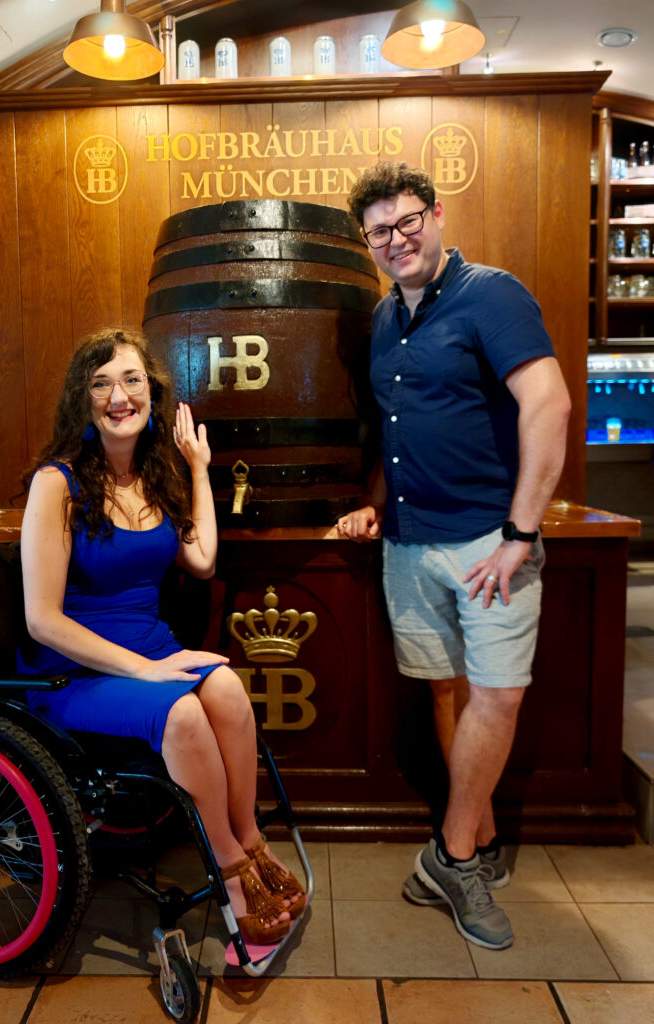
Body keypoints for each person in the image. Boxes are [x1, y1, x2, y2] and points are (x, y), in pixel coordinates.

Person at [337, 163, 571, 951]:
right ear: (367, 242)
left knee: (498, 697)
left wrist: (521, 533)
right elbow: (397, 426)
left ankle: (452, 856)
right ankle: (483, 837)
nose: (396, 240)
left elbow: (549, 402)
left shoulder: (493, 294)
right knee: (449, 691)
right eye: (379, 232)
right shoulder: (382, 319)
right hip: (407, 540)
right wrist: (374, 499)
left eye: (407, 223)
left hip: (487, 544)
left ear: (436, 216)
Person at [17, 328, 305, 946]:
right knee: (181, 716)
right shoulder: (57, 483)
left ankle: (251, 839)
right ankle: (229, 866)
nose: (117, 396)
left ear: (152, 392)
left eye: (131, 380)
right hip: (73, 673)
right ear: (82, 400)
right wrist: (145, 670)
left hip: (150, 652)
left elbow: (200, 558)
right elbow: (42, 619)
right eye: (100, 384)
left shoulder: (155, 475)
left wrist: (200, 469)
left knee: (226, 688)